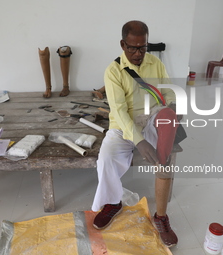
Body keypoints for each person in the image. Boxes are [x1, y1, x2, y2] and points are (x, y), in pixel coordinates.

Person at [91, 20, 180, 248]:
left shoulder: (155, 63)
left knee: (165, 158)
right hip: (122, 124)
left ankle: (161, 217)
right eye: (132, 48)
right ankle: (113, 203)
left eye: (143, 47)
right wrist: (139, 142)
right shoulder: (113, 71)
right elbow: (119, 112)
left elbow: (169, 90)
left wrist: (173, 106)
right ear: (123, 44)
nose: (139, 53)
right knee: (106, 158)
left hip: (150, 118)